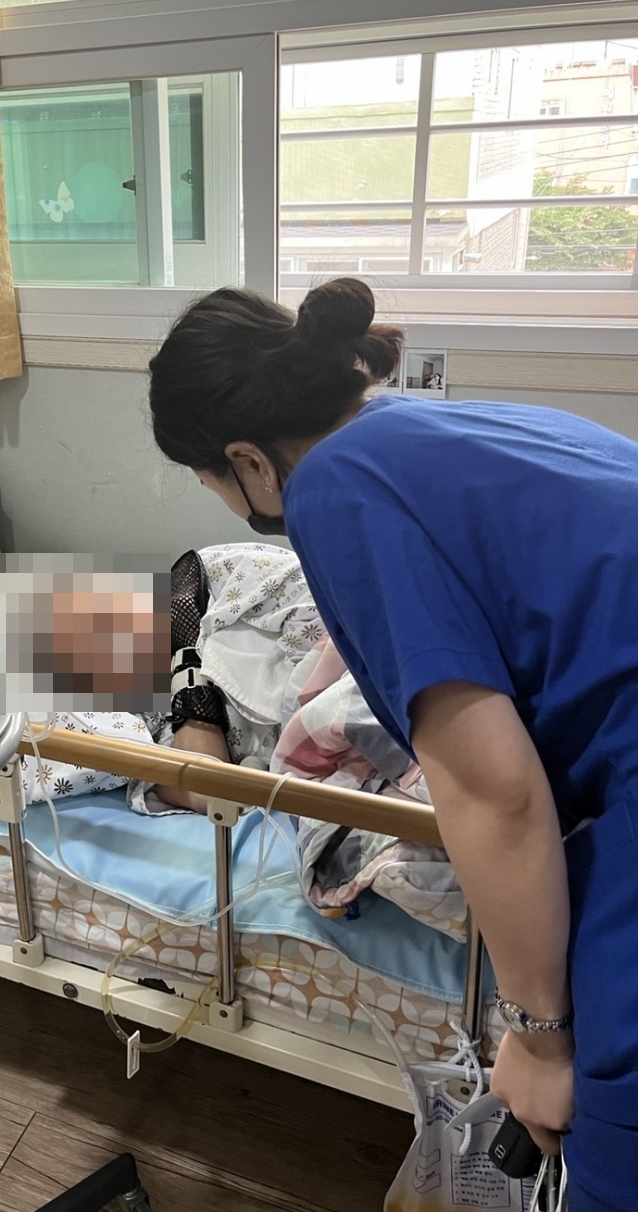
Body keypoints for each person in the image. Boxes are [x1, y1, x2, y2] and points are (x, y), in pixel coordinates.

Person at [148, 270, 638, 1212]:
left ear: (248, 460)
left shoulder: (333, 491)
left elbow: (494, 789)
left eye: (209, 480)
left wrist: (538, 1036)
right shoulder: (430, 426)